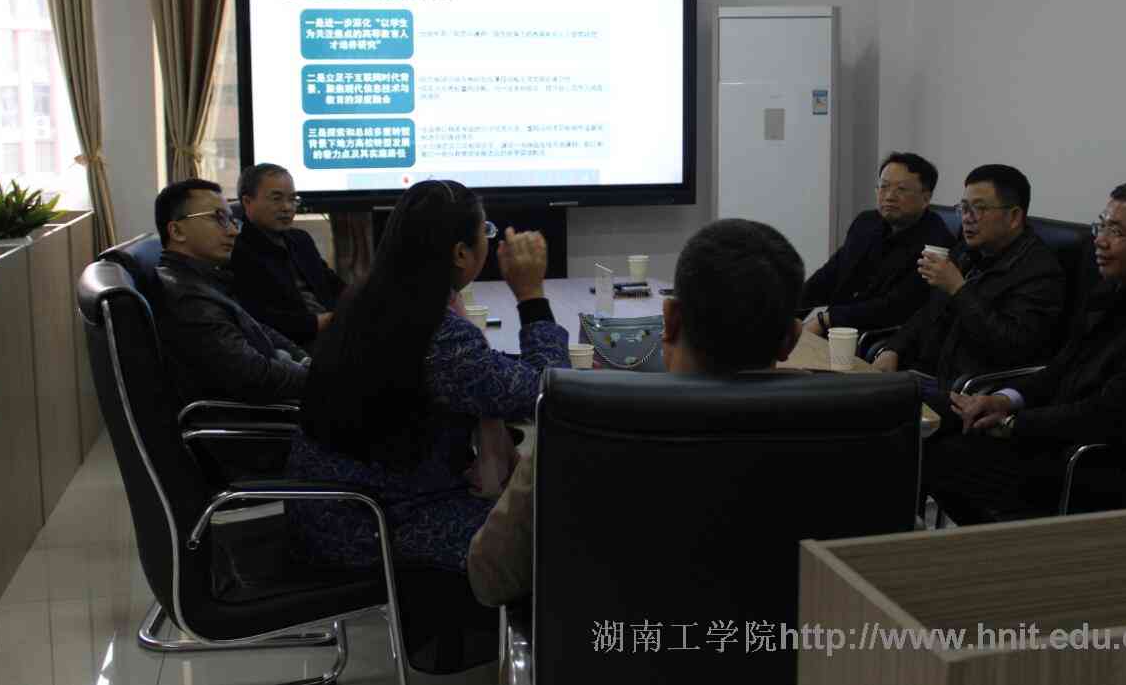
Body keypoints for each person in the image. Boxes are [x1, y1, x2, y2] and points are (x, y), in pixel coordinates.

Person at [285, 179, 569, 669]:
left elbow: (484, 377)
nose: (489, 241)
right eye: (484, 232)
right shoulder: (436, 335)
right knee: (550, 534)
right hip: (373, 521)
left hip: (336, 504)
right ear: (460, 253)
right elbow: (546, 392)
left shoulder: (372, 299)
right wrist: (531, 295)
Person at [466, 218, 806, 607]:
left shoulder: (579, 421)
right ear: (791, 338)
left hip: (609, 643)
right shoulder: (840, 425)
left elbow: (488, 578)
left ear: (669, 319)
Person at [924, 180, 1126, 521]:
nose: (1100, 240)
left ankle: (1013, 545)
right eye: (1101, 225)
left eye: (1116, 231)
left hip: (1107, 458)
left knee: (943, 456)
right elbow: (1061, 368)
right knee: (923, 420)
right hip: (1061, 433)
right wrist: (1003, 400)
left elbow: (1111, 413)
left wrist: (1014, 424)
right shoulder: (1113, 288)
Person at [873, 164, 1065, 420]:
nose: (967, 218)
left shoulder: (1040, 273)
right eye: (963, 208)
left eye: (979, 208)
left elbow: (1010, 346)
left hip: (967, 395)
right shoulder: (966, 252)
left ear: (1014, 216)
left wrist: (958, 288)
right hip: (924, 377)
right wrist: (893, 348)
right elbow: (929, 312)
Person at [152, 179, 309, 406]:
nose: (234, 231)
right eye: (218, 218)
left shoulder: (203, 277)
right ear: (177, 231)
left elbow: (258, 328)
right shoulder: (188, 298)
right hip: (261, 416)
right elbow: (254, 376)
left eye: (232, 220)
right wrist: (322, 378)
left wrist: (304, 359)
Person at [802, 152, 954, 336]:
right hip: (838, 327)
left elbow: (897, 306)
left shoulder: (936, 243)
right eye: (884, 186)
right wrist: (788, 309)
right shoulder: (866, 223)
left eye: (901, 189)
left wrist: (827, 320)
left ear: (925, 198)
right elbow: (830, 275)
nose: (889, 196)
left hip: (881, 336)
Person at [230, 164, 345, 349]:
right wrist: (319, 323)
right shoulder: (237, 250)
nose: (287, 207)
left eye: (292, 199)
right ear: (247, 202)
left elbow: (333, 285)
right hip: (292, 346)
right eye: (276, 199)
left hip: (335, 332)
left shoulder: (300, 240)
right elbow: (256, 319)